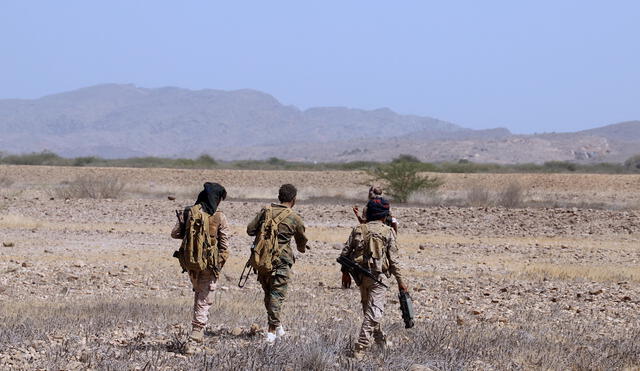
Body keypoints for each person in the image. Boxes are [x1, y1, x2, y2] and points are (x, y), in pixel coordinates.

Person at [340, 197, 408, 359]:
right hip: (378, 278)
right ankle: (360, 348)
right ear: (384, 216)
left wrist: (345, 273)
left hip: (360, 277)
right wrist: (401, 283)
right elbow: (394, 261)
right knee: (374, 313)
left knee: (369, 312)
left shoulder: (358, 229)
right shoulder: (388, 231)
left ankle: (380, 342)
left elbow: (344, 254)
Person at [246, 184, 309, 343]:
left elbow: (250, 230)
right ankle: (271, 332)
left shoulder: (265, 211)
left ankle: (278, 327)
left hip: (263, 259)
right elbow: (301, 241)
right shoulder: (294, 217)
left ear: (279, 196)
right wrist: (301, 247)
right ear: (293, 199)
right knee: (277, 295)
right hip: (281, 260)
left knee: (269, 293)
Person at [171, 182, 229, 349]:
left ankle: (198, 331)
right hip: (209, 263)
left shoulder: (189, 211)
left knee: (199, 293)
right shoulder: (219, 216)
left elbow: (175, 234)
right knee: (205, 296)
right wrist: (219, 263)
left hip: (190, 261)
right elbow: (224, 245)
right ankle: (197, 331)